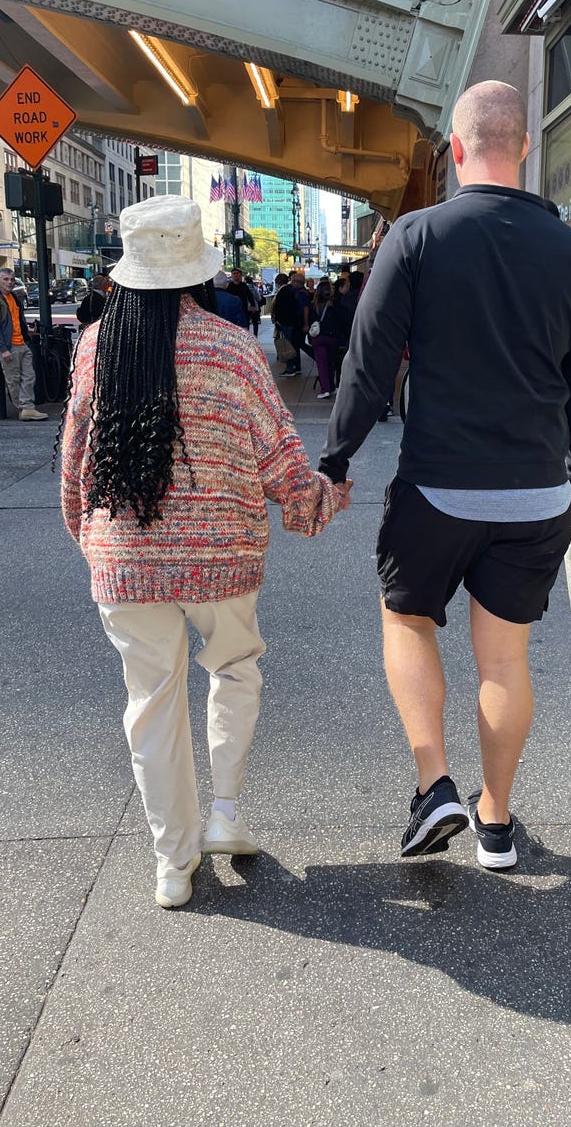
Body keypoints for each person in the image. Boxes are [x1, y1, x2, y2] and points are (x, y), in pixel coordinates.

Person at [319, 80, 571, 872]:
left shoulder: (416, 237)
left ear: (455, 149)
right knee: (504, 661)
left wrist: (336, 461)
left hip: (438, 488)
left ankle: (433, 785)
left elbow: (368, 362)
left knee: (407, 620)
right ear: (523, 147)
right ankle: (496, 822)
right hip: (537, 494)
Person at [60, 195, 351, 909]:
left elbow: (75, 459)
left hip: (126, 556)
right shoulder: (231, 347)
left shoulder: (97, 345)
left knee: (149, 702)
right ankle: (224, 810)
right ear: (197, 270)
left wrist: (91, 538)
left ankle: (171, 860)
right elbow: (281, 459)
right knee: (233, 669)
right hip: (224, 555)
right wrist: (321, 496)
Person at [0, 269, 48, 421]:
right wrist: (3, 349)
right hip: (8, 346)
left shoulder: (14, 297)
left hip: (21, 343)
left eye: (12, 279)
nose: (9, 282)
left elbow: (18, 320)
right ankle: (24, 408)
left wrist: (26, 338)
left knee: (29, 376)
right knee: (14, 379)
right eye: (6, 279)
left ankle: (26, 407)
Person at [308, 278, 344, 400]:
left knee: (321, 364)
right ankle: (332, 386)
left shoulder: (314, 305)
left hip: (319, 337)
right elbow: (340, 321)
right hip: (333, 337)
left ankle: (325, 389)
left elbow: (310, 321)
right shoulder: (335, 304)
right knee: (331, 363)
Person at [270, 270, 309, 376]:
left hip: (290, 322)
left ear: (297, 282)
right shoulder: (296, 292)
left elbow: (304, 308)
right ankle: (295, 366)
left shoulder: (298, 293)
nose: (291, 282)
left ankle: (291, 367)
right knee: (295, 344)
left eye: (292, 281)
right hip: (294, 322)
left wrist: (305, 323)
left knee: (291, 344)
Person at [226, 268, 261, 336]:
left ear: (240, 275)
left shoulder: (244, 286)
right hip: (232, 310)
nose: (236, 275)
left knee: (245, 327)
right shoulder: (229, 286)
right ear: (232, 275)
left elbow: (250, 296)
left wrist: (253, 306)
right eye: (234, 273)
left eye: (237, 273)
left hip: (244, 310)